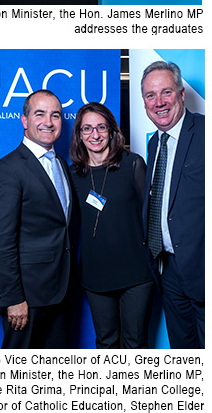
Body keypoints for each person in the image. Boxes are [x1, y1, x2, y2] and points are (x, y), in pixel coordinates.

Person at [0, 89, 74, 346]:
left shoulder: (61, 164)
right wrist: (13, 298)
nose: (48, 122)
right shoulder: (7, 169)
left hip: (61, 292)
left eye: (55, 115)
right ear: (24, 121)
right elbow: (1, 241)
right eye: (40, 114)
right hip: (26, 299)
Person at [70, 102, 153, 347]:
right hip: (96, 274)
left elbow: (151, 216)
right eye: (87, 129)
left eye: (101, 127)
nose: (94, 135)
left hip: (136, 273)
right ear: (79, 134)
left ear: (112, 131)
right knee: (105, 343)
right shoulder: (73, 174)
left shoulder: (133, 164)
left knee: (135, 343)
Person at [142, 60, 205, 347]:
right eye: (150, 96)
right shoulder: (155, 142)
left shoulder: (205, 132)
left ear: (181, 94)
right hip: (167, 269)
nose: (159, 102)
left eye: (166, 92)